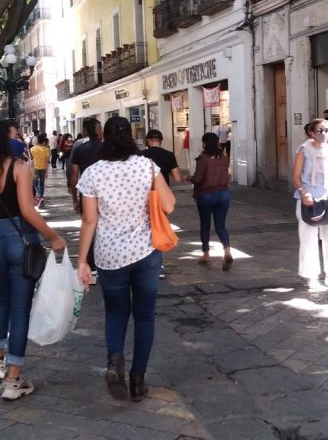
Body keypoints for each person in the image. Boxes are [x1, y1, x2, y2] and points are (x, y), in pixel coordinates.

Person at [76, 116, 175, 402]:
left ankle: (114, 361)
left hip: (109, 256)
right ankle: (138, 379)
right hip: (145, 252)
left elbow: (89, 220)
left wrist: (82, 260)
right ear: (131, 137)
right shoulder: (147, 166)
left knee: (115, 313)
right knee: (144, 317)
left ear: (104, 138)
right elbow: (168, 204)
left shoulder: (93, 173)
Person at [0, 120, 66, 401]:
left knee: (1, 300)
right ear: (5, 139)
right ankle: (14, 379)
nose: (19, 139)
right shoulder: (19, 167)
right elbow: (27, 210)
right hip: (19, 237)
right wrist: (53, 236)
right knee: (20, 309)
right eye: (14, 135)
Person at [293, 119, 328, 293]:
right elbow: (296, 177)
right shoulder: (303, 150)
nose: (325, 133)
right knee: (309, 238)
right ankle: (312, 276)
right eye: (320, 130)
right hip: (308, 198)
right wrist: (303, 191)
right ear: (312, 133)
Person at [191, 132, 233, 270]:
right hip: (223, 194)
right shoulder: (224, 157)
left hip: (206, 195)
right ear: (217, 143)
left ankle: (206, 254)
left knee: (205, 225)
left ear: (204, 143)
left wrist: (189, 178)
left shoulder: (203, 159)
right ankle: (227, 251)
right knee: (221, 226)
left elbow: (198, 179)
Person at [70, 118, 103, 278]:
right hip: (106, 193)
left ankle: (91, 262)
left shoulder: (80, 149)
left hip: (86, 193)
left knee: (88, 225)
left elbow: (74, 175)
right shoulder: (107, 148)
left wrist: (75, 199)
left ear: (84, 131)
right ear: (98, 131)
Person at [29, 137, 50, 203]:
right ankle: (41, 196)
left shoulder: (32, 149)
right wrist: (47, 172)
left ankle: (38, 195)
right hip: (43, 168)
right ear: (43, 142)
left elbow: (31, 160)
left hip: (35, 168)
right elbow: (47, 161)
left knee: (35, 183)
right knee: (42, 183)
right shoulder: (46, 149)